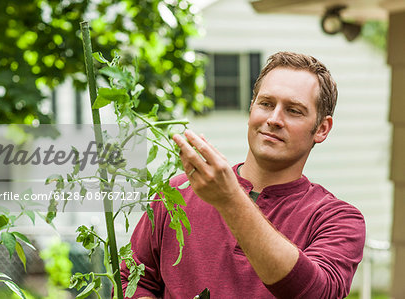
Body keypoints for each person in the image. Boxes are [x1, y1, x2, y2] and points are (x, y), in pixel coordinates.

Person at [120, 52, 366, 298]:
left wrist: (229, 199)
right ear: (252, 108)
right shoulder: (178, 191)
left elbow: (317, 293)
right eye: (266, 104)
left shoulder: (338, 219)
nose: (274, 119)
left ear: (322, 129)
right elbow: (131, 280)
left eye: (293, 110)